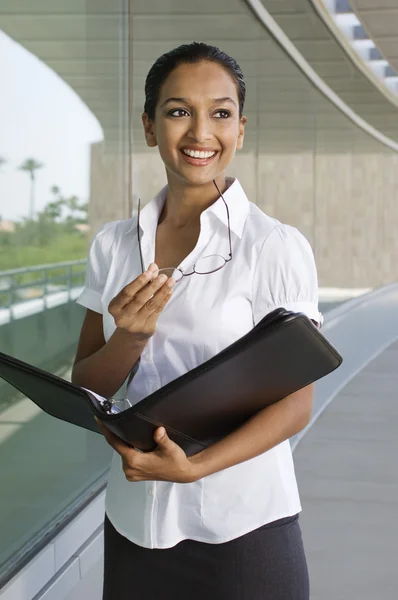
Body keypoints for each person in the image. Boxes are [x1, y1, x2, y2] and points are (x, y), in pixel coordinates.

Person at [73, 42, 322, 600]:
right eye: (179, 111)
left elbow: (295, 402)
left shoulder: (275, 246)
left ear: (240, 129)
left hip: (243, 527)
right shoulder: (113, 246)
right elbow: (87, 384)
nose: (199, 133)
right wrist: (131, 338)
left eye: (221, 113)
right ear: (149, 125)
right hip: (135, 524)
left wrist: (197, 467)